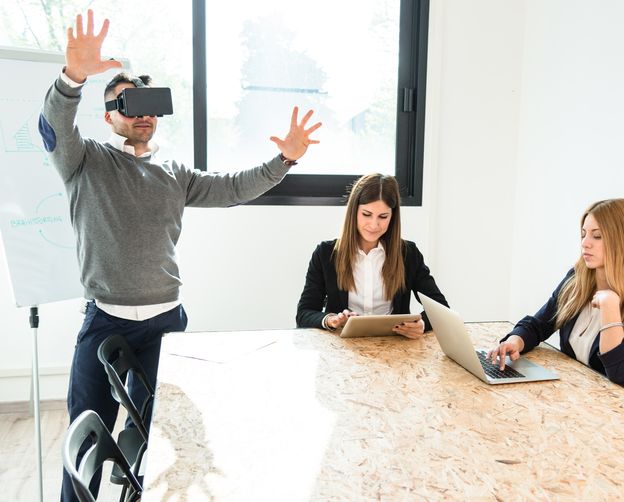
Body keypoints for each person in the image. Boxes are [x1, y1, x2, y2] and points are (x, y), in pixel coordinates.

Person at [41, 10, 321, 502]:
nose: (141, 113)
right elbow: (56, 124)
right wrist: (73, 78)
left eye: (149, 104)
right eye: (127, 104)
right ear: (109, 117)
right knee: (85, 438)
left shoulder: (174, 172)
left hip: (165, 325)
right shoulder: (83, 161)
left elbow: (235, 187)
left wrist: (286, 160)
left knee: (164, 440)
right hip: (104, 321)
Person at [489, 198, 624, 414]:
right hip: (591, 404)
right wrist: (515, 341)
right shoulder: (576, 280)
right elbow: (539, 324)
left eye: (597, 236)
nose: (585, 243)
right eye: (583, 234)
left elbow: (619, 371)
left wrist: (610, 309)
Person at [296, 173, 448, 338]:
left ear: (392, 216)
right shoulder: (326, 253)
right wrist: (330, 319)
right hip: (342, 347)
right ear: (354, 211)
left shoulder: (408, 254)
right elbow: (304, 313)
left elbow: (441, 308)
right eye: (366, 214)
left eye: (383, 217)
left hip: (394, 345)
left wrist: (421, 325)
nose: (374, 225)